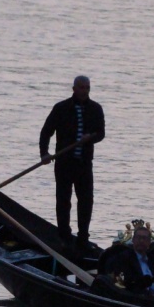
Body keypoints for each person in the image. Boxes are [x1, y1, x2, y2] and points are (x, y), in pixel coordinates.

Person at [39, 75, 106, 250]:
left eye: (87, 88)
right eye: (81, 87)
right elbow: (46, 132)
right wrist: (44, 153)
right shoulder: (61, 108)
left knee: (86, 201)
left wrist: (90, 138)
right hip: (64, 163)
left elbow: (101, 133)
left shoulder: (96, 109)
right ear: (74, 89)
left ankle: (83, 237)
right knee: (63, 200)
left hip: (84, 164)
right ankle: (64, 235)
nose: (84, 91)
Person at [105, 224, 154, 294]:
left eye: (144, 238)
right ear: (133, 240)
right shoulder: (123, 258)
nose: (141, 241)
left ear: (149, 242)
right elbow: (127, 283)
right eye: (138, 237)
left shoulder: (152, 259)